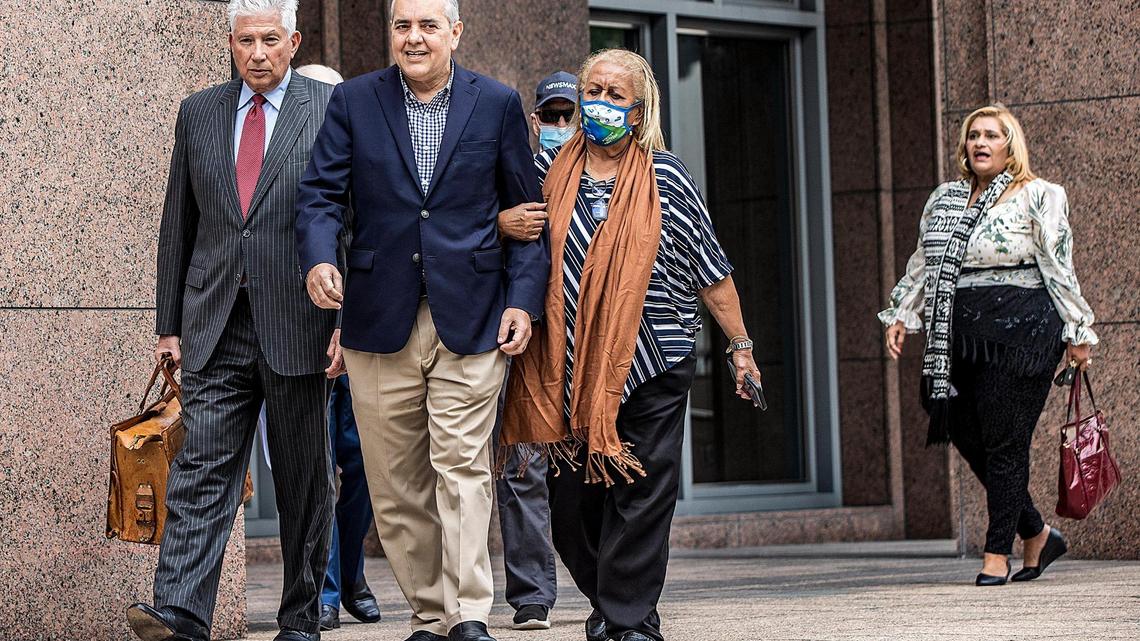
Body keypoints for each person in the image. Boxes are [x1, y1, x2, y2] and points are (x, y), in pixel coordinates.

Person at [294, 0, 550, 640]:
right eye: (402, 26)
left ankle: (468, 615)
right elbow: (321, 196)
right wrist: (319, 261)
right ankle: (431, 613)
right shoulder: (353, 102)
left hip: (473, 315)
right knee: (394, 480)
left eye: (427, 26)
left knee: (460, 464)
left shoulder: (495, 103)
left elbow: (528, 214)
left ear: (455, 33)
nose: (413, 38)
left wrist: (522, 299)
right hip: (379, 319)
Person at [500, 49, 761, 641]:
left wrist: (740, 345)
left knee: (641, 498)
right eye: (593, 90)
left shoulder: (666, 177)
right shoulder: (549, 174)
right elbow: (513, 250)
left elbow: (711, 272)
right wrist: (502, 224)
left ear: (639, 113)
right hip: (566, 373)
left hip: (653, 363)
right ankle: (618, 601)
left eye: (616, 96)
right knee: (570, 513)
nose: (599, 104)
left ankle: (628, 620)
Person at [127, 2, 337, 641]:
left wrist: (343, 324)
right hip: (215, 322)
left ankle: (301, 614)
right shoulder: (199, 113)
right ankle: (182, 611)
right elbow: (177, 227)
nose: (258, 53)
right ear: (231, 43)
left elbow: (347, 219)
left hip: (299, 321)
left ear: (294, 41)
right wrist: (169, 326)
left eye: (270, 40)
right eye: (245, 41)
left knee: (303, 479)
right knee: (200, 470)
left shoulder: (327, 112)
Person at [879, 104, 1097, 585]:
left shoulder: (1039, 195)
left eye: (992, 135)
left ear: (1009, 145)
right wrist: (901, 312)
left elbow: (1060, 265)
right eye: (973, 135)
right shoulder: (944, 198)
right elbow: (924, 262)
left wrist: (1079, 331)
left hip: (1023, 330)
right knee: (946, 411)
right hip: (957, 332)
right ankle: (1036, 532)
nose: (980, 143)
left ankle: (997, 552)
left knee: (1005, 438)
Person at [292, 63, 384, 632]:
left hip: (362, 332)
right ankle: (324, 588)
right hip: (297, 338)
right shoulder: (287, 158)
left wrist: (347, 323)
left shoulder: (366, 157)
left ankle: (350, 572)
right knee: (316, 469)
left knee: (365, 465)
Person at [488, 71, 579, 632]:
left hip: (587, 343)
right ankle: (532, 595)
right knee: (521, 466)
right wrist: (500, 224)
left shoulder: (612, 178)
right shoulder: (514, 174)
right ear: (535, 121)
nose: (562, 128)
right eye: (552, 117)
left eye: (571, 116)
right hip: (525, 338)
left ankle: (607, 584)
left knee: (589, 464)